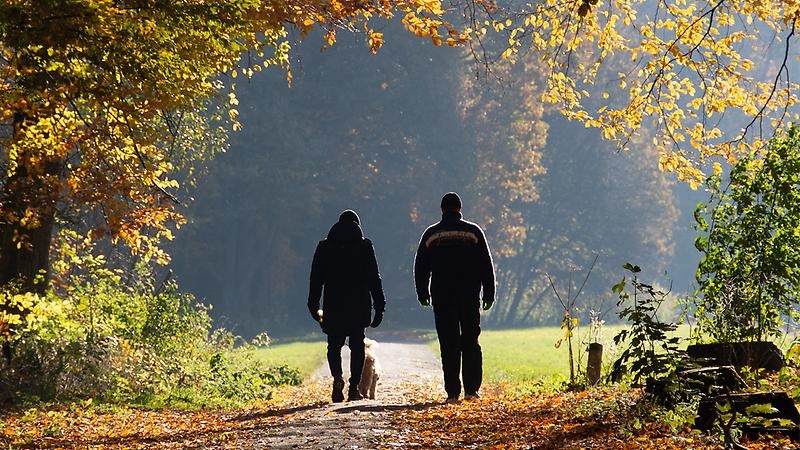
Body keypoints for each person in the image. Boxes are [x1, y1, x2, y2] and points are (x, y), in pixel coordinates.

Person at [414, 192, 495, 402]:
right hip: (469, 295)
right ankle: (471, 390)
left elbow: (421, 267)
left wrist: (422, 292)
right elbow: (486, 265)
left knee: (448, 342)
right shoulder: (473, 232)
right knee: (470, 340)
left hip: (442, 295)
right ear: (460, 208)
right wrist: (489, 293)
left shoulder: (431, 234)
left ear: (442, 210)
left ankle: (452, 392)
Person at [308, 210, 386, 402]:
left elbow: (316, 278)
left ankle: (337, 379)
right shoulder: (364, 246)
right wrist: (380, 305)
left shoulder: (324, 247)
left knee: (334, 345)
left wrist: (313, 303)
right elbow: (374, 278)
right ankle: (353, 388)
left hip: (334, 304)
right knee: (357, 346)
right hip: (359, 303)